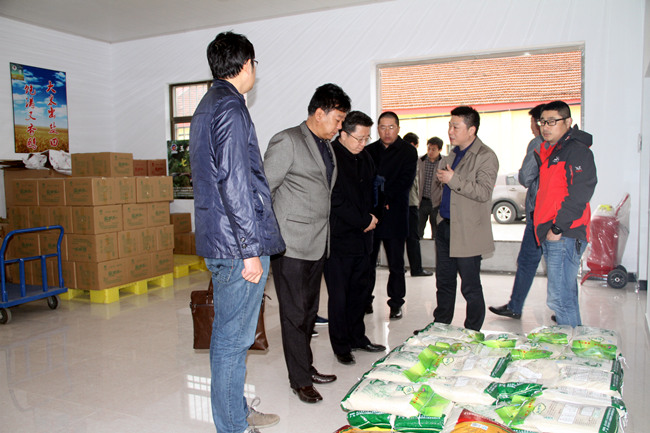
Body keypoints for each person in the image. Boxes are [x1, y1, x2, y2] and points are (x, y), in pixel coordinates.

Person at [189, 31, 285, 433]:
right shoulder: (229, 107)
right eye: (254, 64)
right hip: (237, 245)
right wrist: (249, 250)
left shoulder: (208, 104)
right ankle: (233, 426)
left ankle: (238, 412)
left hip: (221, 239)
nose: (255, 71)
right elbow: (234, 182)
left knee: (232, 337)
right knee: (232, 341)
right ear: (246, 64)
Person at [263, 83, 351, 404]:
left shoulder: (325, 145)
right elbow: (264, 191)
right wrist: (269, 238)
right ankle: (299, 380)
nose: (340, 127)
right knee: (294, 314)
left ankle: (306, 366)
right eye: (338, 119)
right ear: (319, 113)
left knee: (309, 312)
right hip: (290, 245)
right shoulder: (287, 141)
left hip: (317, 243)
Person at [426, 106, 498, 332]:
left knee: (470, 286)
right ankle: (440, 326)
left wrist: (453, 179)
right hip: (445, 226)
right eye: (450, 126)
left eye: (455, 127)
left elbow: (483, 192)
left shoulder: (485, 156)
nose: (450, 131)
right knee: (444, 282)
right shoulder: (452, 154)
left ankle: (472, 332)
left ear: (471, 129)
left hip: (468, 231)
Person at [324, 111, 386, 366]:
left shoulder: (365, 157)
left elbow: (375, 189)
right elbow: (334, 199)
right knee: (340, 296)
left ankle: (358, 337)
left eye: (366, 138)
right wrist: (363, 220)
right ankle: (341, 345)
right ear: (343, 133)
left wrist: (375, 216)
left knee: (360, 292)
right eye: (358, 138)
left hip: (364, 238)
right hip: (340, 239)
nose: (363, 143)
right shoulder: (330, 157)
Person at [533, 100, 597, 327]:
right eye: (542, 122)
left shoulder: (576, 151)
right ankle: (574, 343)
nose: (545, 127)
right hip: (555, 232)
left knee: (560, 299)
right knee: (565, 297)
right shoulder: (553, 151)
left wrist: (558, 227)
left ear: (568, 122)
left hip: (564, 233)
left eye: (552, 121)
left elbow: (581, 192)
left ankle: (571, 345)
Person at [489, 104, 546, 320]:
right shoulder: (567, 144)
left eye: (532, 122)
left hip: (539, 214)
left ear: (539, 123)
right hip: (555, 215)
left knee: (527, 261)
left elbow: (525, 177)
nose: (531, 127)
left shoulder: (538, 143)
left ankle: (515, 306)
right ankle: (562, 310)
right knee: (559, 266)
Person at [366, 112, 418, 319]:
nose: (387, 132)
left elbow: (404, 182)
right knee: (367, 262)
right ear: (377, 129)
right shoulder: (369, 150)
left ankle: (396, 303)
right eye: (382, 127)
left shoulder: (408, 151)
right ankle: (365, 300)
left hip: (395, 213)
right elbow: (365, 181)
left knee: (396, 264)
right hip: (372, 215)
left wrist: (384, 197)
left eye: (391, 127)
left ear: (398, 128)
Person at [403, 132, 433, 277]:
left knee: (399, 237)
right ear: (412, 145)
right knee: (413, 237)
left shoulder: (397, 156)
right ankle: (416, 269)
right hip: (410, 203)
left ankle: (399, 266)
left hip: (399, 204)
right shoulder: (410, 157)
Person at [418, 137, 444, 241]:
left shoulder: (443, 163)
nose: (430, 152)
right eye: (429, 148)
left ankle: (435, 251)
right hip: (422, 202)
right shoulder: (420, 161)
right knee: (418, 231)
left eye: (433, 149)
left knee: (436, 232)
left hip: (436, 203)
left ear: (440, 150)